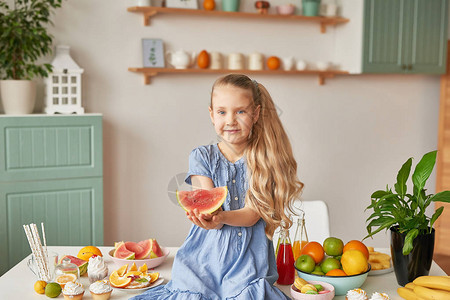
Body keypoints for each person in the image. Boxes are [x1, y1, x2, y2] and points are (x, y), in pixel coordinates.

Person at [132, 74, 304, 300]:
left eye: (240, 111)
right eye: (222, 112)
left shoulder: (264, 159)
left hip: (247, 260)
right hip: (203, 255)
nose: (231, 120)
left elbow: (252, 215)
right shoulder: (201, 156)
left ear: (256, 114)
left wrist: (221, 217)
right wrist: (209, 218)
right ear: (212, 115)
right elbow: (207, 200)